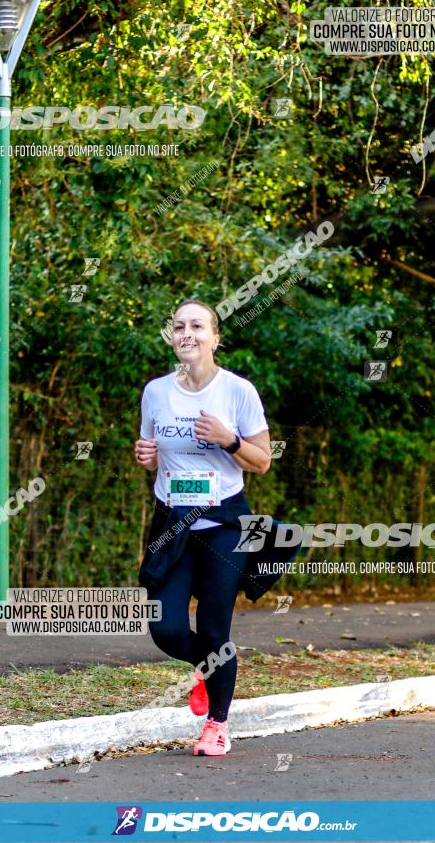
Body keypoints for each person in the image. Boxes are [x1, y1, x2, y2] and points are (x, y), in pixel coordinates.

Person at [135, 299, 275, 757]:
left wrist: (229, 439)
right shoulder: (156, 392)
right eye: (179, 326)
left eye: (198, 326)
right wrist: (148, 457)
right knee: (166, 627)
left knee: (215, 628)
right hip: (173, 523)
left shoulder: (237, 392)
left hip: (224, 527)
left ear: (216, 338)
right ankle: (207, 670)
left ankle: (217, 723)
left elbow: (263, 462)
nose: (187, 333)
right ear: (171, 337)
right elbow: (154, 452)